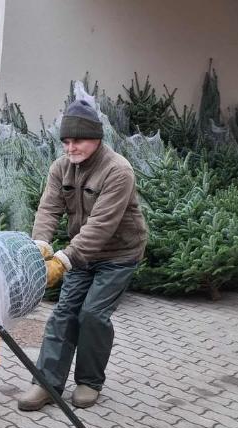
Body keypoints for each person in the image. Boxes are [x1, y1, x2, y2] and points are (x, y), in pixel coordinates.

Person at [17, 100, 148, 411]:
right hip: (83, 253)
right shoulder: (60, 167)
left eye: (78, 140)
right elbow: (49, 209)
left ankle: (89, 381)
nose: (70, 147)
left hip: (118, 254)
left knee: (92, 314)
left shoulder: (118, 171)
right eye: (66, 141)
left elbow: (101, 226)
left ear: (97, 138)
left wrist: (63, 260)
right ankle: (46, 383)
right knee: (64, 313)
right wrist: (41, 245)